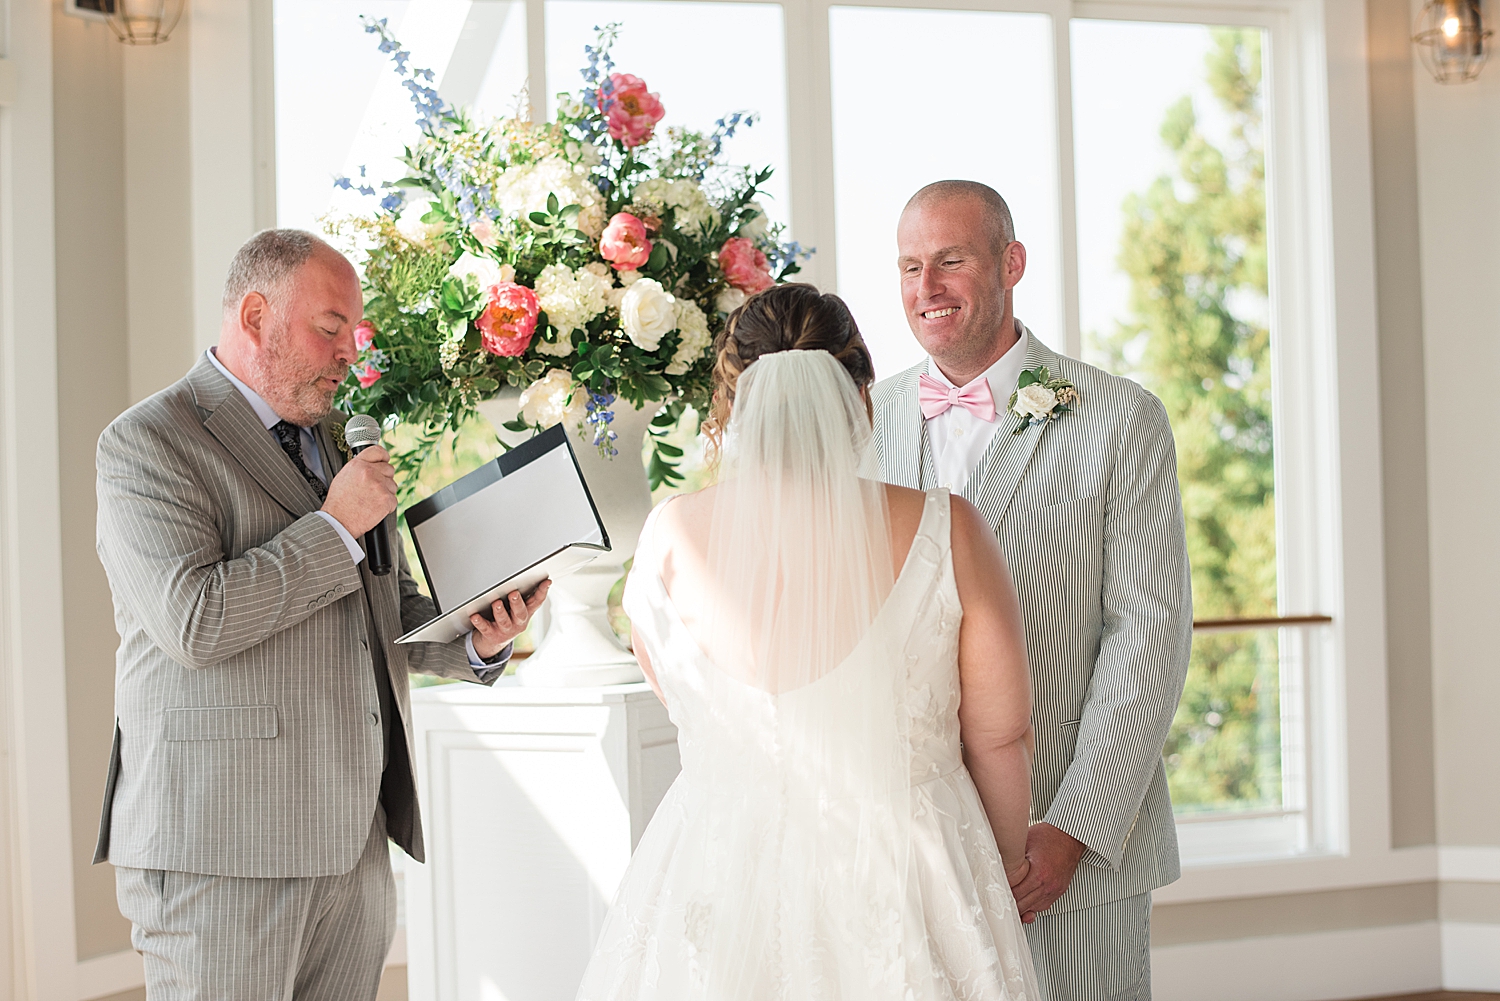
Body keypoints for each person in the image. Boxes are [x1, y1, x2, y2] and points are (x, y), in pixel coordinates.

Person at [93, 229, 549, 1001]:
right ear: (254, 314)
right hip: (219, 849)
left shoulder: (340, 442)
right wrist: (337, 526)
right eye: (329, 328)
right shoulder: (147, 442)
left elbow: (381, 605)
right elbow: (195, 622)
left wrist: (475, 639)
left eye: (353, 333)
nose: (348, 353)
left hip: (351, 842)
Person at [576, 283, 1041, 1000]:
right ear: (859, 397)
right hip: (907, 875)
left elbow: (683, 699)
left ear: (731, 405)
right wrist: (997, 871)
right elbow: (1002, 734)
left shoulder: (669, 535)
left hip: (718, 868)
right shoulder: (949, 527)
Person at [872, 180, 1193, 1001]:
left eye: (950, 261)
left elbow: (1148, 636)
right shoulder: (864, 419)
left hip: (1068, 849)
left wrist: (1075, 829)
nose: (926, 289)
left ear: (1011, 263)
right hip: (907, 849)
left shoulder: (1122, 419)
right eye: (910, 267)